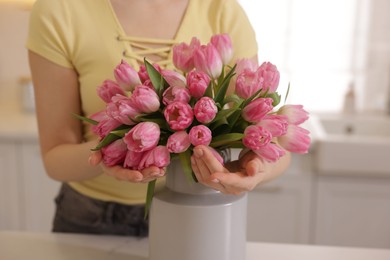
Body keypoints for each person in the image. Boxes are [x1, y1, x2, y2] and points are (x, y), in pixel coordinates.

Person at [26, 0, 291, 236]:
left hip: (198, 213)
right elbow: (55, 158)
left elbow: (274, 143)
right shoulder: (59, 9)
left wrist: (254, 169)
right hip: (93, 218)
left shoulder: (222, 10)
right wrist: (113, 151)